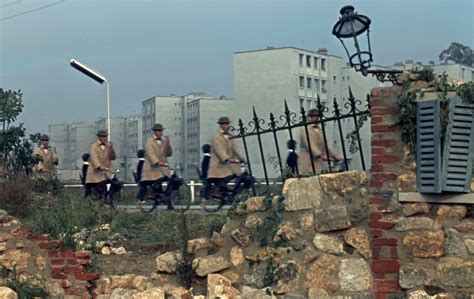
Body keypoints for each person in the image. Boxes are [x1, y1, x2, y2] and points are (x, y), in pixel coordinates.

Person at [201, 116, 247, 208]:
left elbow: (235, 148)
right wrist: (227, 158)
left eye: (228, 124)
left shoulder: (229, 136)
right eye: (225, 124)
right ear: (221, 125)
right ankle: (216, 190)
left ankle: (230, 194)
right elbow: (219, 150)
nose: (227, 126)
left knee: (238, 174)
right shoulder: (216, 137)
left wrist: (242, 158)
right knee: (228, 175)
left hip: (227, 164)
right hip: (218, 165)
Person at [139, 123, 173, 209]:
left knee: (171, 180)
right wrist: (157, 162)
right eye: (157, 131)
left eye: (160, 131)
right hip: (151, 168)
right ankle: (152, 192)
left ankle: (166, 199)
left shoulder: (164, 141)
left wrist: (168, 144)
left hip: (162, 168)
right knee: (157, 181)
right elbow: (150, 154)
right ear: (154, 132)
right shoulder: (149, 141)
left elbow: (168, 154)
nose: (159, 133)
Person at [299, 109, 342, 174]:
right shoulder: (305, 130)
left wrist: (335, 155)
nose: (317, 118)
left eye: (318, 116)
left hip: (320, 165)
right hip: (308, 164)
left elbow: (326, 145)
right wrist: (320, 155)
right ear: (309, 117)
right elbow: (310, 145)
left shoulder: (320, 130)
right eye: (314, 116)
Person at [85, 130, 116, 197]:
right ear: (98, 137)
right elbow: (94, 157)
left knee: (112, 184)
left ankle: (108, 199)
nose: (103, 138)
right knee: (93, 189)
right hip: (95, 172)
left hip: (106, 172)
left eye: (104, 136)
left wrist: (111, 149)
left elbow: (113, 157)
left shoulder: (108, 146)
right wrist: (99, 166)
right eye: (101, 136)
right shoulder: (94, 146)